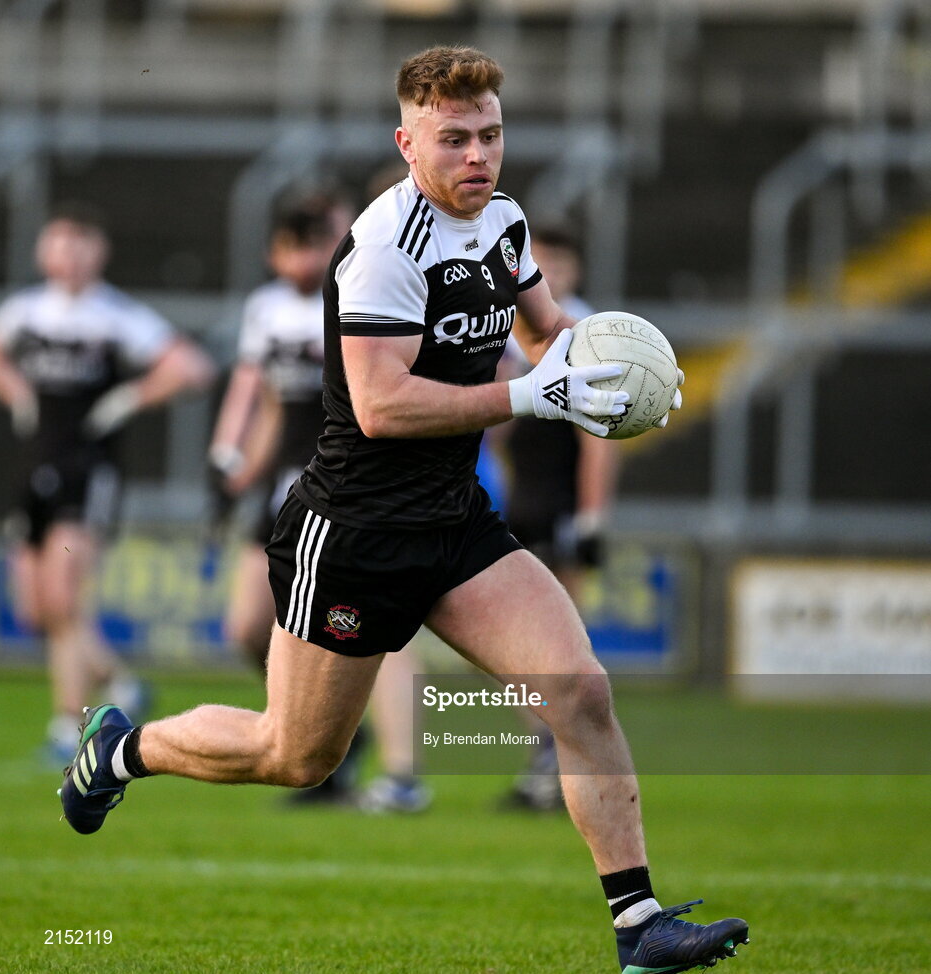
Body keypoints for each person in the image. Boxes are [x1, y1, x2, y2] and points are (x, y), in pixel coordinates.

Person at [59, 48, 748, 973]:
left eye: (491, 135)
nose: (479, 157)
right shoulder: (384, 246)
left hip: (455, 522)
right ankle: (121, 749)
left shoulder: (503, 221)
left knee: (578, 691)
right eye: (454, 139)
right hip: (354, 530)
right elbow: (382, 407)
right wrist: (526, 399)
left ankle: (640, 925)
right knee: (294, 753)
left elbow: (549, 331)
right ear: (407, 141)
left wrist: (624, 375)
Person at [208, 192, 430, 812]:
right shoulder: (266, 309)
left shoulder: (374, 290)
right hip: (287, 491)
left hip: (359, 488)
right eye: (296, 244)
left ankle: (404, 774)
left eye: (322, 238)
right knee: (248, 626)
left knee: (384, 631)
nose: (309, 257)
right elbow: (268, 400)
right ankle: (332, 736)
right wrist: (235, 464)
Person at [0, 204, 214, 762]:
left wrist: (131, 397)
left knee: (65, 600)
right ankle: (123, 683)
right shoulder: (24, 311)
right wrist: (17, 391)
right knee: (35, 610)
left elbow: (192, 367)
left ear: (99, 252)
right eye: (59, 242)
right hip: (29, 469)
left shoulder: (115, 315)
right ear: (44, 250)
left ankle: (70, 723)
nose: (68, 254)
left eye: (80, 242)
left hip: (85, 471)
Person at [499, 223, 623, 812]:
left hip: (561, 503)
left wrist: (593, 517)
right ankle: (545, 753)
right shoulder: (508, 324)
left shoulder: (586, 332)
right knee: (509, 644)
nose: (549, 275)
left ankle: (559, 761)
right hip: (522, 499)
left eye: (559, 265)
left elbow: (602, 438)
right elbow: (500, 415)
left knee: (560, 638)